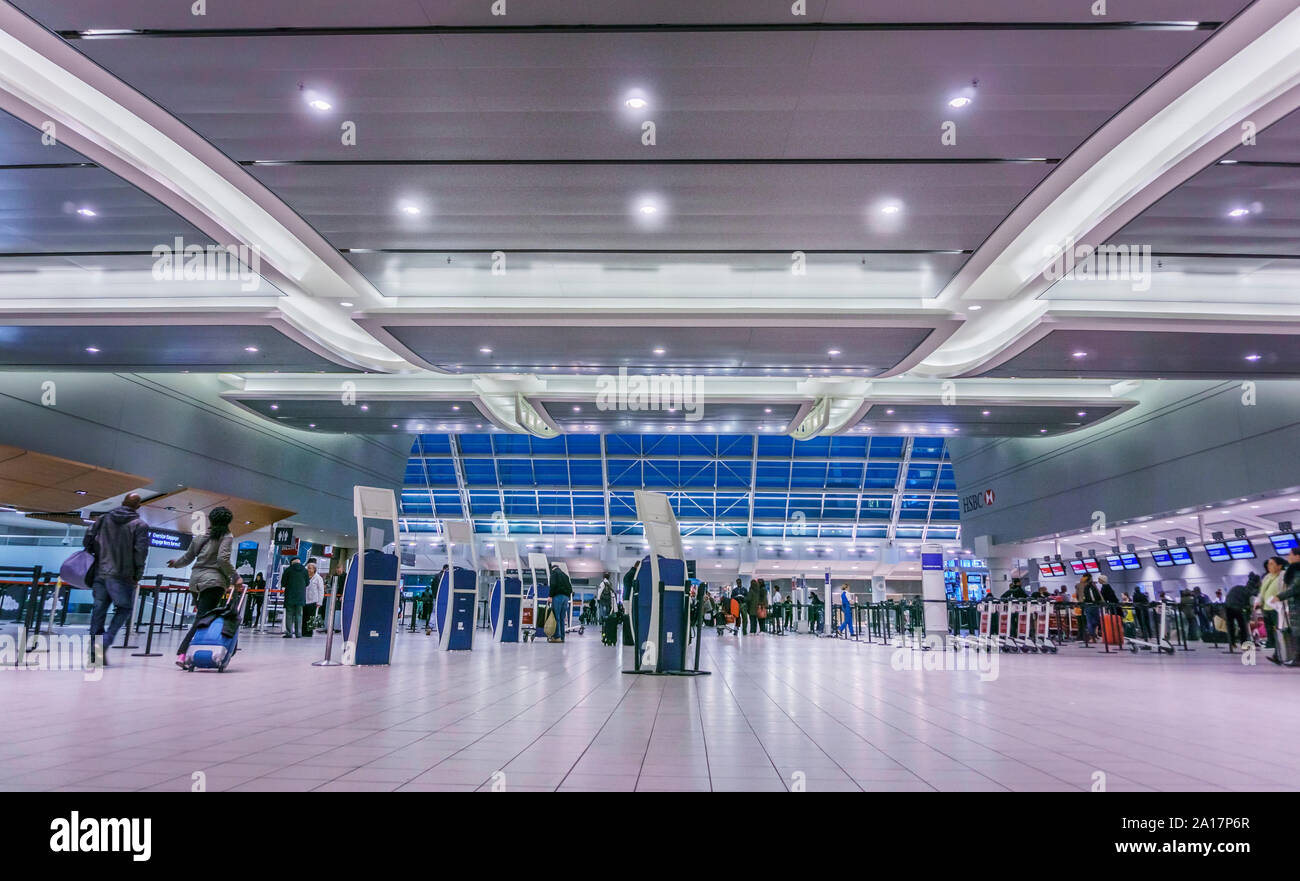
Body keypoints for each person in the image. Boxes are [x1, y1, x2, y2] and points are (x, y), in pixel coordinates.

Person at [169, 506, 241, 666]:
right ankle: (183, 654)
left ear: (211, 519)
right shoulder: (227, 536)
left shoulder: (201, 535)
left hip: (195, 582)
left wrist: (176, 564)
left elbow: (188, 557)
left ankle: (197, 649)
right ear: (228, 521)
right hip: (213, 582)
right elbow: (223, 560)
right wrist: (235, 576)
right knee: (201, 619)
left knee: (202, 617)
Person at [83, 491, 149, 665]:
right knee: (124, 608)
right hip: (123, 576)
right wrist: (138, 574)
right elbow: (140, 552)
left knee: (99, 610)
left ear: (122, 502)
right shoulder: (139, 525)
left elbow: (87, 540)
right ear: (138, 507)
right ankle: (105, 641)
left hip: (100, 572)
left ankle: (94, 648)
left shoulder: (103, 519)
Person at [1260, 556, 1286, 658]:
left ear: (1279, 566)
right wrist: (1259, 601)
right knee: (1271, 633)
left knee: (1280, 632)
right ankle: (1277, 653)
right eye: (1268, 564)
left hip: (1277, 609)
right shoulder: (1267, 577)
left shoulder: (1283, 576)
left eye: (1271, 564)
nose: (1268, 566)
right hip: (1266, 608)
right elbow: (1262, 591)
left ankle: (1282, 654)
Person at [1224, 574, 1259, 650]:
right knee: (1243, 627)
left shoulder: (1238, 588)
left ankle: (1232, 644)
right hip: (1238, 608)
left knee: (1230, 626)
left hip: (1228, 606)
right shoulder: (1250, 593)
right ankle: (1244, 644)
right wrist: (1248, 618)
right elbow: (1249, 606)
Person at [280, 556, 309, 639]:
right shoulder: (304, 570)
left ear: (292, 562)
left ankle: (289, 633)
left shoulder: (288, 570)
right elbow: (307, 583)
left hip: (290, 596)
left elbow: (283, 583)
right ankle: (298, 633)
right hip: (300, 596)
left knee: (289, 614)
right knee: (299, 614)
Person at [548, 563, 573, 643]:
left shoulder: (554, 573)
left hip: (557, 596)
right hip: (566, 598)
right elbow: (570, 588)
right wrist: (567, 596)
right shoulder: (565, 575)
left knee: (556, 617)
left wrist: (550, 596)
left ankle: (557, 637)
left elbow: (553, 585)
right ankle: (562, 637)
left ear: (552, 569)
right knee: (562, 618)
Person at [303, 559, 325, 637]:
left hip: (313, 600)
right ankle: (303, 631)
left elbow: (321, 590)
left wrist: (320, 602)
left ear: (314, 569)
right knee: (304, 616)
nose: (308, 569)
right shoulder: (304, 577)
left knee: (311, 617)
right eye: (308, 568)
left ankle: (309, 633)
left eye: (310, 568)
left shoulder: (318, 578)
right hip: (304, 599)